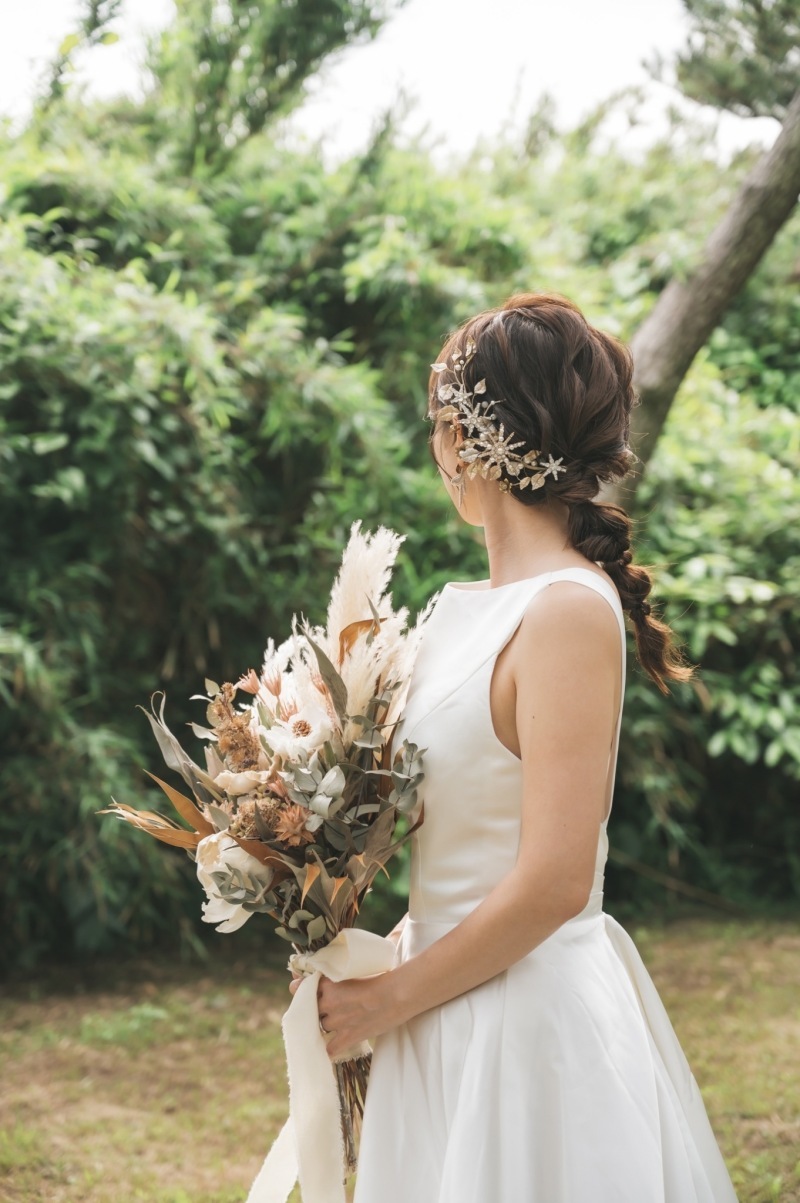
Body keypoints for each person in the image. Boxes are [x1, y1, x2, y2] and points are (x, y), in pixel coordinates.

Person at [289, 292, 739, 1201]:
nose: (434, 445)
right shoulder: (458, 608)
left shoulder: (569, 609)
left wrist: (390, 999)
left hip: (522, 1022)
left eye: (439, 423)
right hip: (434, 997)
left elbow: (555, 879)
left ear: (468, 438)